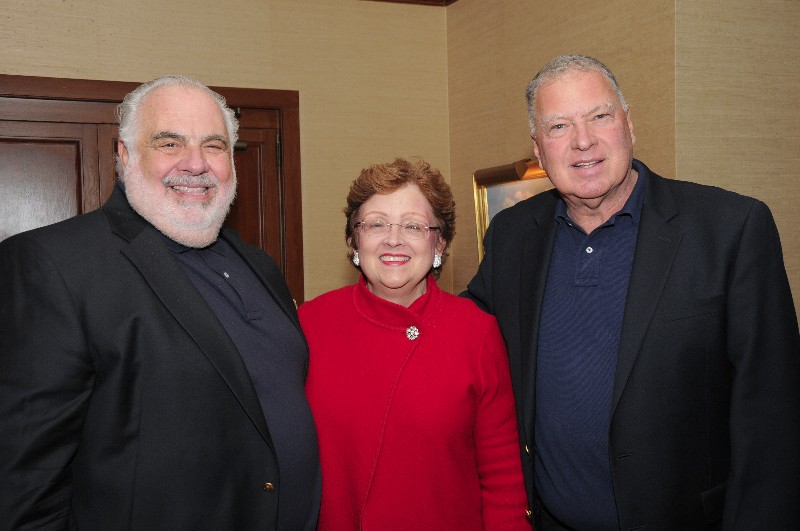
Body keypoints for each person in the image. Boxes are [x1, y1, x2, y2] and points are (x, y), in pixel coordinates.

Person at [465, 54, 800, 530]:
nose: (584, 141)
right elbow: (460, 338)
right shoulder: (513, 233)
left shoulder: (730, 229)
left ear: (629, 124)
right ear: (538, 151)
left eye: (600, 116)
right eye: (559, 126)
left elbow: (774, 418)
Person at [0, 75, 320, 530]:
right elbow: (24, 486)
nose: (195, 164)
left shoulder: (258, 264)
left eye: (214, 146)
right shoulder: (53, 264)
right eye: (169, 143)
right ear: (125, 154)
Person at [299, 157, 530, 530]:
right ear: (353, 238)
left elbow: (503, 478)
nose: (394, 239)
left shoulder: (477, 332)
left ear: (439, 241)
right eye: (376, 224)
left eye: (413, 225)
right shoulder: (310, 324)